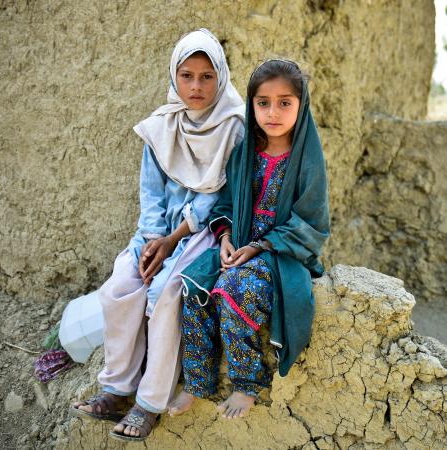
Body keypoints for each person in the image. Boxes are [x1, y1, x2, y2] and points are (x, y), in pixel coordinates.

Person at [70, 29, 244, 441]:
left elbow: (216, 196)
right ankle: (116, 387)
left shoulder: (232, 129)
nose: (196, 86)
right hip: (158, 233)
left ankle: (149, 402)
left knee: (167, 295)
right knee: (120, 287)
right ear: (174, 76)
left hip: (199, 234)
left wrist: (172, 242)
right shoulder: (162, 125)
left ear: (221, 77)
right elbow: (150, 191)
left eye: (206, 76)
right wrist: (151, 240)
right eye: (187, 75)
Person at [168, 59, 330, 419]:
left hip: (282, 254)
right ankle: (197, 381)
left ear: (301, 107)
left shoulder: (307, 161)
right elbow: (226, 203)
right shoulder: (245, 154)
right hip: (238, 245)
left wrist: (258, 247)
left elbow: (311, 223)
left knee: (236, 285)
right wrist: (225, 237)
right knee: (193, 284)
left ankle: (247, 383)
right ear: (251, 105)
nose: (273, 112)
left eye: (285, 102)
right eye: (263, 102)